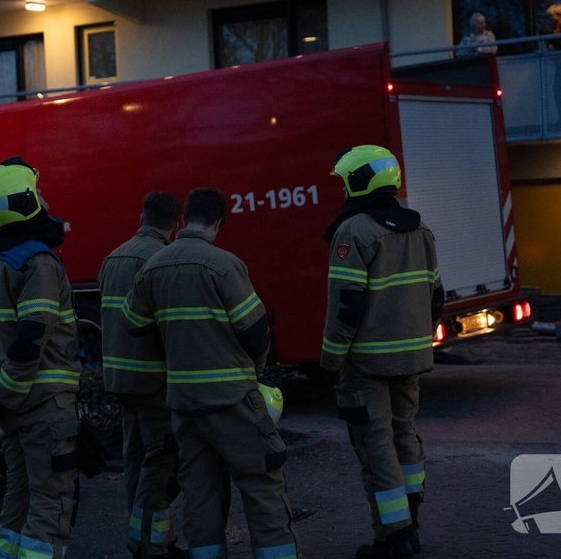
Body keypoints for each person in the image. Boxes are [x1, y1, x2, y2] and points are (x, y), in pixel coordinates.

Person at [123, 188, 301, 559]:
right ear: (218, 222)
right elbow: (256, 333)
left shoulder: (153, 266)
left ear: (184, 219)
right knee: (261, 484)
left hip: (184, 406)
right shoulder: (224, 265)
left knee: (200, 494)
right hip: (232, 400)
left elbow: (133, 323)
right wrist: (254, 375)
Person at [320, 145, 443, 559]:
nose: (342, 191)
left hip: (367, 362)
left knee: (376, 446)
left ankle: (393, 539)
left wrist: (331, 358)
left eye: (344, 183)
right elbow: (436, 296)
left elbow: (347, 305)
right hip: (411, 360)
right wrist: (418, 339)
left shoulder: (353, 231)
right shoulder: (420, 228)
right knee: (404, 435)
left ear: (359, 181)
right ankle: (411, 526)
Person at [0, 156, 82, 559]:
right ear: (24, 202)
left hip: (9, 410)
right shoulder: (38, 262)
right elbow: (31, 338)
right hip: (43, 407)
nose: (45, 200)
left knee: (19, 496)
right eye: (38, 192)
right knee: (51, 504)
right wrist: (5, 398)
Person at [99, 192, 185, 559]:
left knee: (135, 460)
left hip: (119, 379)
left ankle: (148, 540)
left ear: (141, 217)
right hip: (153, 381)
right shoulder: (161, 259)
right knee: (161, 463)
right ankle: (148, 545)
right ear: (176, 225)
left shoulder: (113, 258)